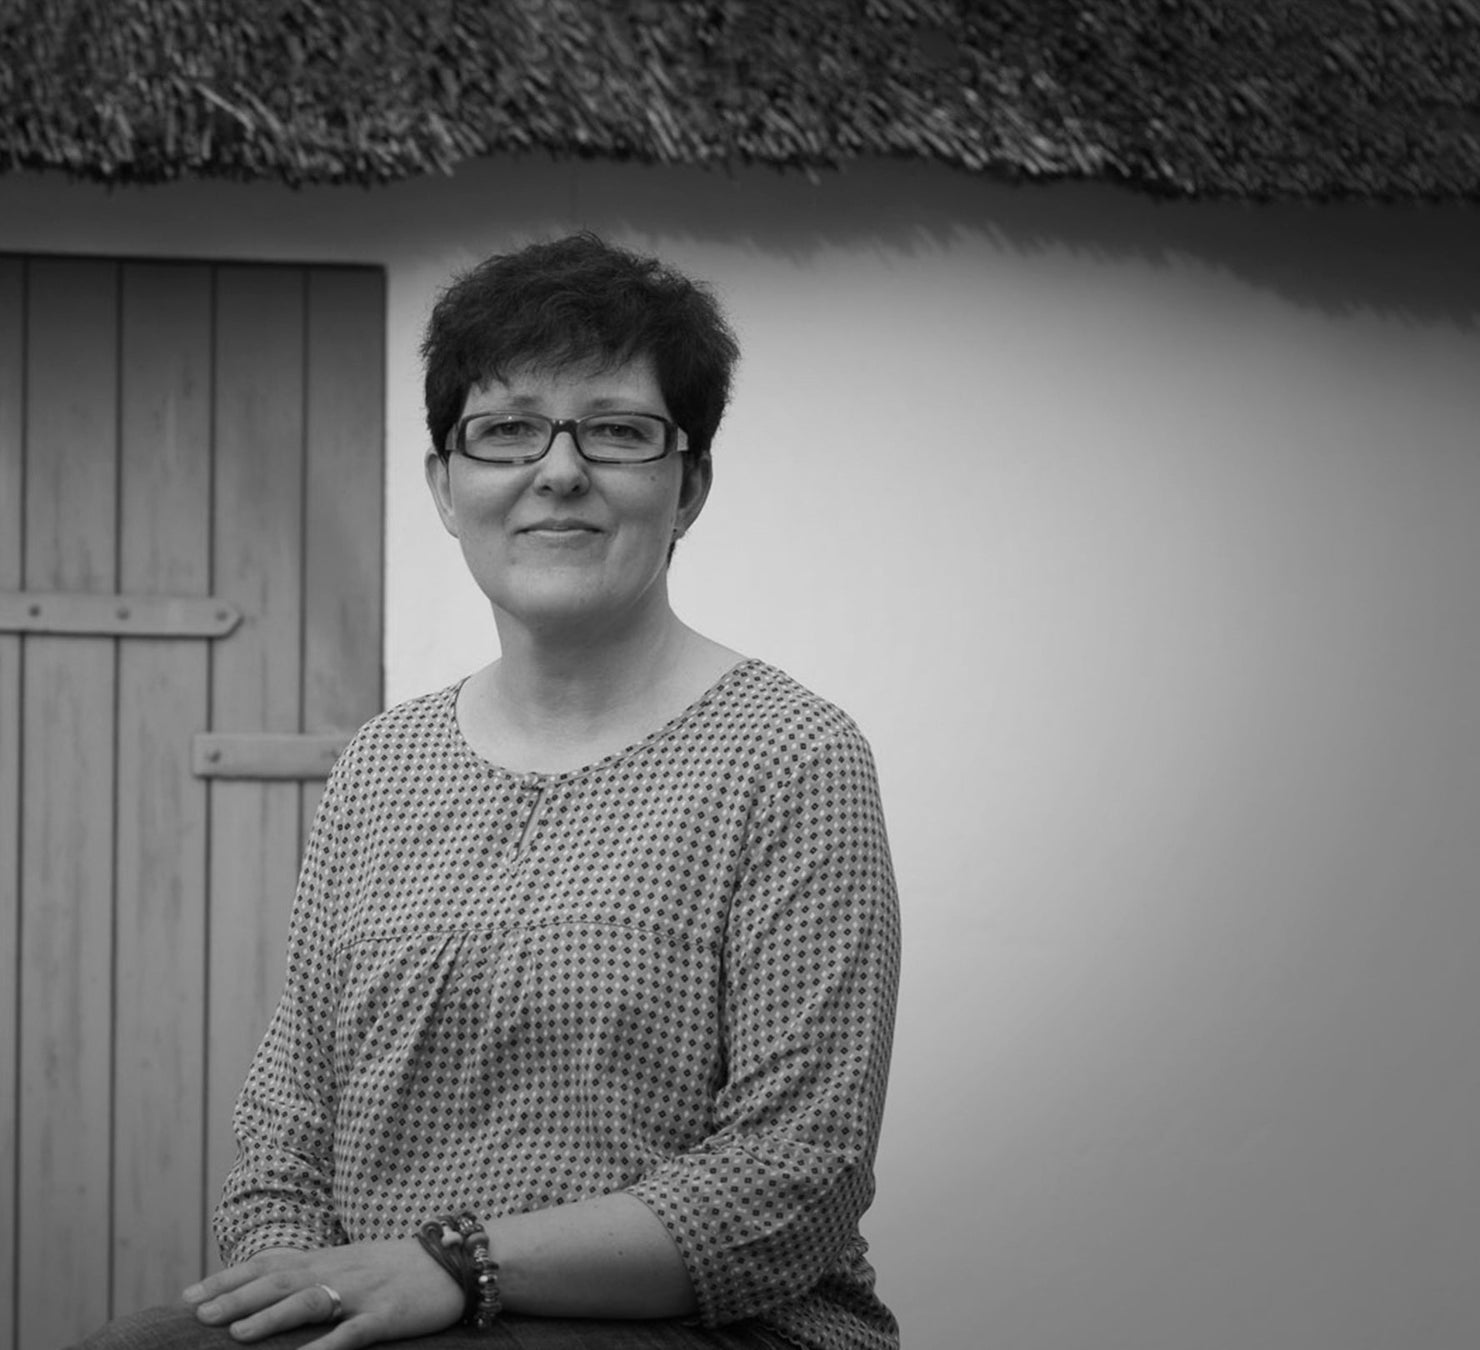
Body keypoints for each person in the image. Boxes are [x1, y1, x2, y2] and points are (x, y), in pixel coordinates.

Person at [76, 233, 900, 1350]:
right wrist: (308, 1292)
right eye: (507, 430)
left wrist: (455, 1266)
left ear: (690, 486)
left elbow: (798, 1170)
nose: (557, 472)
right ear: (445, 484)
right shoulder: (381, 766)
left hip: (703, 1328)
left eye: (616, 431)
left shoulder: (790, 756)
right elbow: (288, 1121)